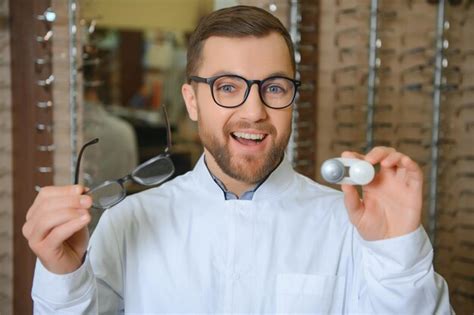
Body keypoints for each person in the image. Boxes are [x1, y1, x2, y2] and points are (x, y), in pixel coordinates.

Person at [23, 5, 452, 314]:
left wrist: (398, 254)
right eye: (228, 87)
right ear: (191, 100)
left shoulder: (351, 228)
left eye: (275, 87)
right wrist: (62, 275)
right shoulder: (128, 222)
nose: (254, 112)